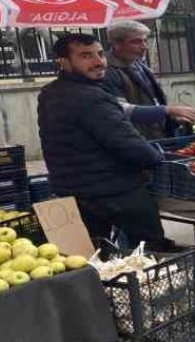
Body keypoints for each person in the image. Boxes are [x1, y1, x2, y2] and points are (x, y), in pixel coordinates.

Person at [37, 33, 172, 251]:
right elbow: (126, 142)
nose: (98, 61)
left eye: (100, 54)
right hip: (114, 191)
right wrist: (156, 157)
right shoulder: (90, 97)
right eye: (85, 56)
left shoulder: (50, 93)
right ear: (63, 62)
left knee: (94, 253)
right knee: (149, 248)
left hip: (74, 189)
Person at [103, 20, 195, 139]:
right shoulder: (106, 71)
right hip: (134, 142)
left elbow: (152, 101)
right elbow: (120, 109)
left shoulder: (140, 66)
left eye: (145, 40)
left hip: (155, 139)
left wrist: (172, 119)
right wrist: (167, 110)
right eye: (136, 42)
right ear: (116, 44)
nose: (144, 46)